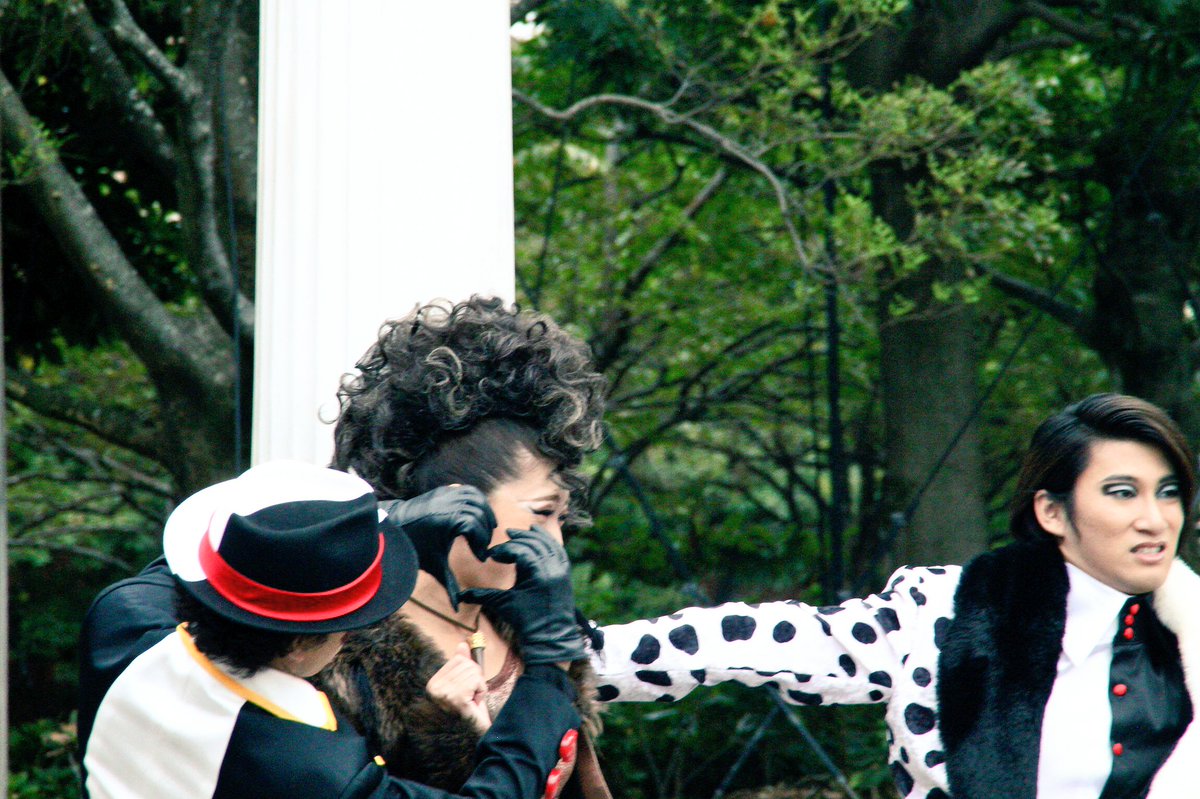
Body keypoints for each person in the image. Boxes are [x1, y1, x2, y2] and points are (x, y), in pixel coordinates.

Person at [587, 393, 1200, 799]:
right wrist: (576, 659)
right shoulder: (947, 615)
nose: (1155, 518)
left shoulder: (1187, 641)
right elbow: (758, 642)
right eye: (1122, 492)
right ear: (1052, 511)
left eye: (1168, 491)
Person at [78, 460, 587, 799]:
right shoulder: (315, 773)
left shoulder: (122, 622)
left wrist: (381, 524)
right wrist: (549, 662)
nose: (354, 634)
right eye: (350, 624)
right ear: (301, 646)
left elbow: (196, 566)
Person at [320, 297, 612, 799]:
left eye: (562, 518)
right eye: (542, 512)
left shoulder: (530, 623)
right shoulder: (335, 648)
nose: (557, 543)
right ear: (457, 502)